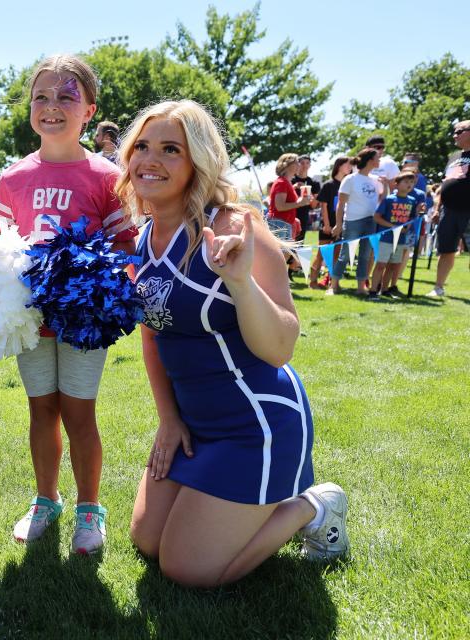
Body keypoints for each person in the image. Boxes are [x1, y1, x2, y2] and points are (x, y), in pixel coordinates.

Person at [121, 99, 348, 588]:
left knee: (187, 569)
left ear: (198, 160)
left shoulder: (236, 228)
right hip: (194, 423)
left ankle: (313, 506)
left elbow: (281, 346)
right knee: (147, 539)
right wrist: (167, 419)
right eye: (142, 146)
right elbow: (153, 335)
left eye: (169, 149)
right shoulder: (144, 239)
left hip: (256, 424)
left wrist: (241, 284)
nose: (150, 160)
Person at [0, 54, 138, 554]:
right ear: (30, 107)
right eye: (42, 97)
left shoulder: (106, 176)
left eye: (66, 97)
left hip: (81, 323)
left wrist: (96, 285)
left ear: (90, 111)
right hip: (32, 322)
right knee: (40, 410)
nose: (52, 107)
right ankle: (46, 498)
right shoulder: (11, 179)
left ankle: (89, 508)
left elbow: (125, 250)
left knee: (79, 413)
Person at [329, 148, 383, 296]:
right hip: (352, 220)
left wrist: (385, 187)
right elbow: (340, 204)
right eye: (377, 157)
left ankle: (361, 287)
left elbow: (380, 200)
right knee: (345, 254)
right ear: (370, 160)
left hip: (370, 221)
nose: (380, 160)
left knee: (365, 255)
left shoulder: (375, 180)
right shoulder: (350, 179)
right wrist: (339, 224)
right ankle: (334, 285)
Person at [428, 120, 470, 297]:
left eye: (459, 131)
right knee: (446, 250)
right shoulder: (453, 157)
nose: (455, 135)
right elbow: (443, 186)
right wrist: (437, 209)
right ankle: (438, 287)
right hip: (449, 211)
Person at [368, 171, 421, 300]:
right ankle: (373, 291)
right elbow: (377, 217)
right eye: (406, 182)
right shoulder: (389, 199)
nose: (409, 185)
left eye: (412, 182)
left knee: (393, 265)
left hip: (401, 239)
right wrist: (392, 226)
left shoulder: (412, 201)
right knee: (381, 264)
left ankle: (385, 290)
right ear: (396, 184)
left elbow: (412, 217)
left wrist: (411, 222)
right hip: (386, 238)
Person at [308, 156, 351, 289]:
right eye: (348, 165)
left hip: (342, 225)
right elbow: (324, 206)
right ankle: (313, 282)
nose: (350, 168)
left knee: (336, 256)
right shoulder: (329, 185)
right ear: (339, 166)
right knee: (321, 255)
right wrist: (326, 225)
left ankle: (333, 282)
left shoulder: (348, 184)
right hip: (328, 225)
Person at [267, 153, 310, 241]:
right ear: (288, 165)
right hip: (279, 224)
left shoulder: (286, 182)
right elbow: (280, 206)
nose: (299, 165)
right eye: (297, 162)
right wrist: (299, 203)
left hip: (283, 223)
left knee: (285, 254)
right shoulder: (281, 182)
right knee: (281, 254)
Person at [291, 155, 320, 243]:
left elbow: (314, 205)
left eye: (307, 163)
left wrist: (307, 190)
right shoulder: (291, 180)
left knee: (311, 247)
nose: (305, 165)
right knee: (294, 246)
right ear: (297, 165)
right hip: (294, 216)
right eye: (302, 163)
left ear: (310, 165)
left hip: (311, 217)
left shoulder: (314, 183)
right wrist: (293, 187)